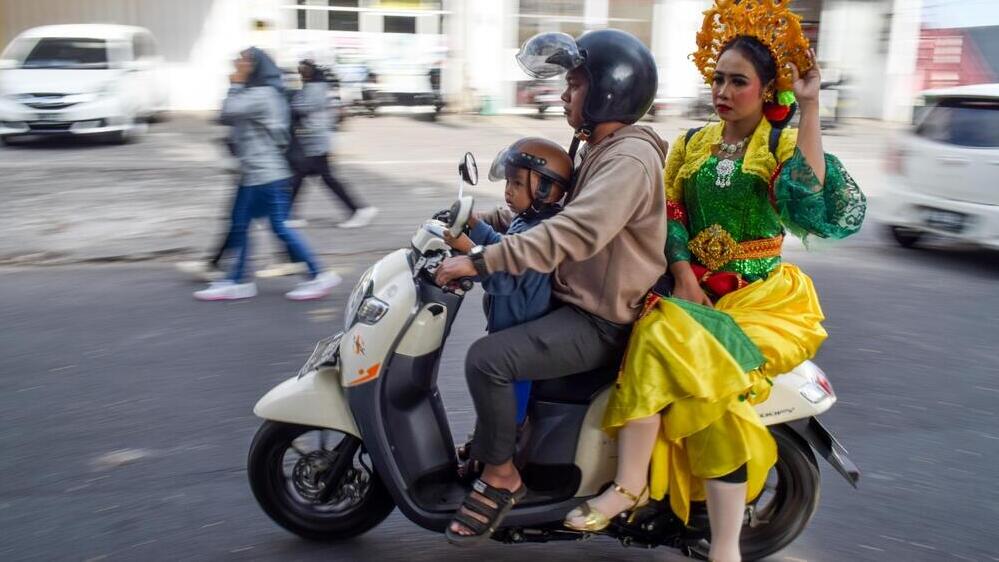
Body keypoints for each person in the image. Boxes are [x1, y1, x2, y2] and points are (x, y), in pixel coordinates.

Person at [574, 3, 867, 561]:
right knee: (652, 334)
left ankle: (714, 539)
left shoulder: (777, 146)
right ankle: (635, 487)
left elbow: (807, 196)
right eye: (718, 78)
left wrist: (809, 106)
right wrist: (683, 273)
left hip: (759, 304)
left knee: (706, 386)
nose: (724, 90)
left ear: (764, 90)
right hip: (691, 291)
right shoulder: (691, 145)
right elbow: (670, 214)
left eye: (739, 81)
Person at [433, 29, 667, 545]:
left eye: (576, 84)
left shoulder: (627, 159)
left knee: (487, 360)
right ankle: (500, 445)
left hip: (599, 320)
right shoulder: (597, 147)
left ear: (609, 91)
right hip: (573, 300)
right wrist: (475, 218)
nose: (564, 94)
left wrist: (483, 261)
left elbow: (574, 231)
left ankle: (502, 477)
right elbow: (547, 211)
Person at [443, 137, 572, 471]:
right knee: (493, 403)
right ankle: (482, 446)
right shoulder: (526, 220)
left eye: (517, 183)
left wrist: (467, 245)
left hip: (520, 336)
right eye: (509, 182)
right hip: (508, 325)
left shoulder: (543, 230)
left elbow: (503, 274)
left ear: (544, 188)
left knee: (506, 410)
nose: (508, 192)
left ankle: (500, 463)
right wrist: (473, 223)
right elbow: (502, 244)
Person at [194, 47, 340, 301]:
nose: (236, 64)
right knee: (241, 224)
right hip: (254, 172)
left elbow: (227, 112)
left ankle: (318, 275)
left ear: (256, 66)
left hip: (265, 174)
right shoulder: (263, 92)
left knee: (278, 226)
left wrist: (236, 84)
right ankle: (236, 280)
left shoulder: (261, 95)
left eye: (243, 61)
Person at [287, 59, 377, 229]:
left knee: (323, 177)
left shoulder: (315, 88)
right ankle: (289, 214)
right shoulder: (317, 87)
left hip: (315, 140)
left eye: (303, 70)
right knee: (301, 175)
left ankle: (359, 209)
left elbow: (301, 107)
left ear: (311, 71)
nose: (301, 73)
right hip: (315, 139)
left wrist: (290, 101)